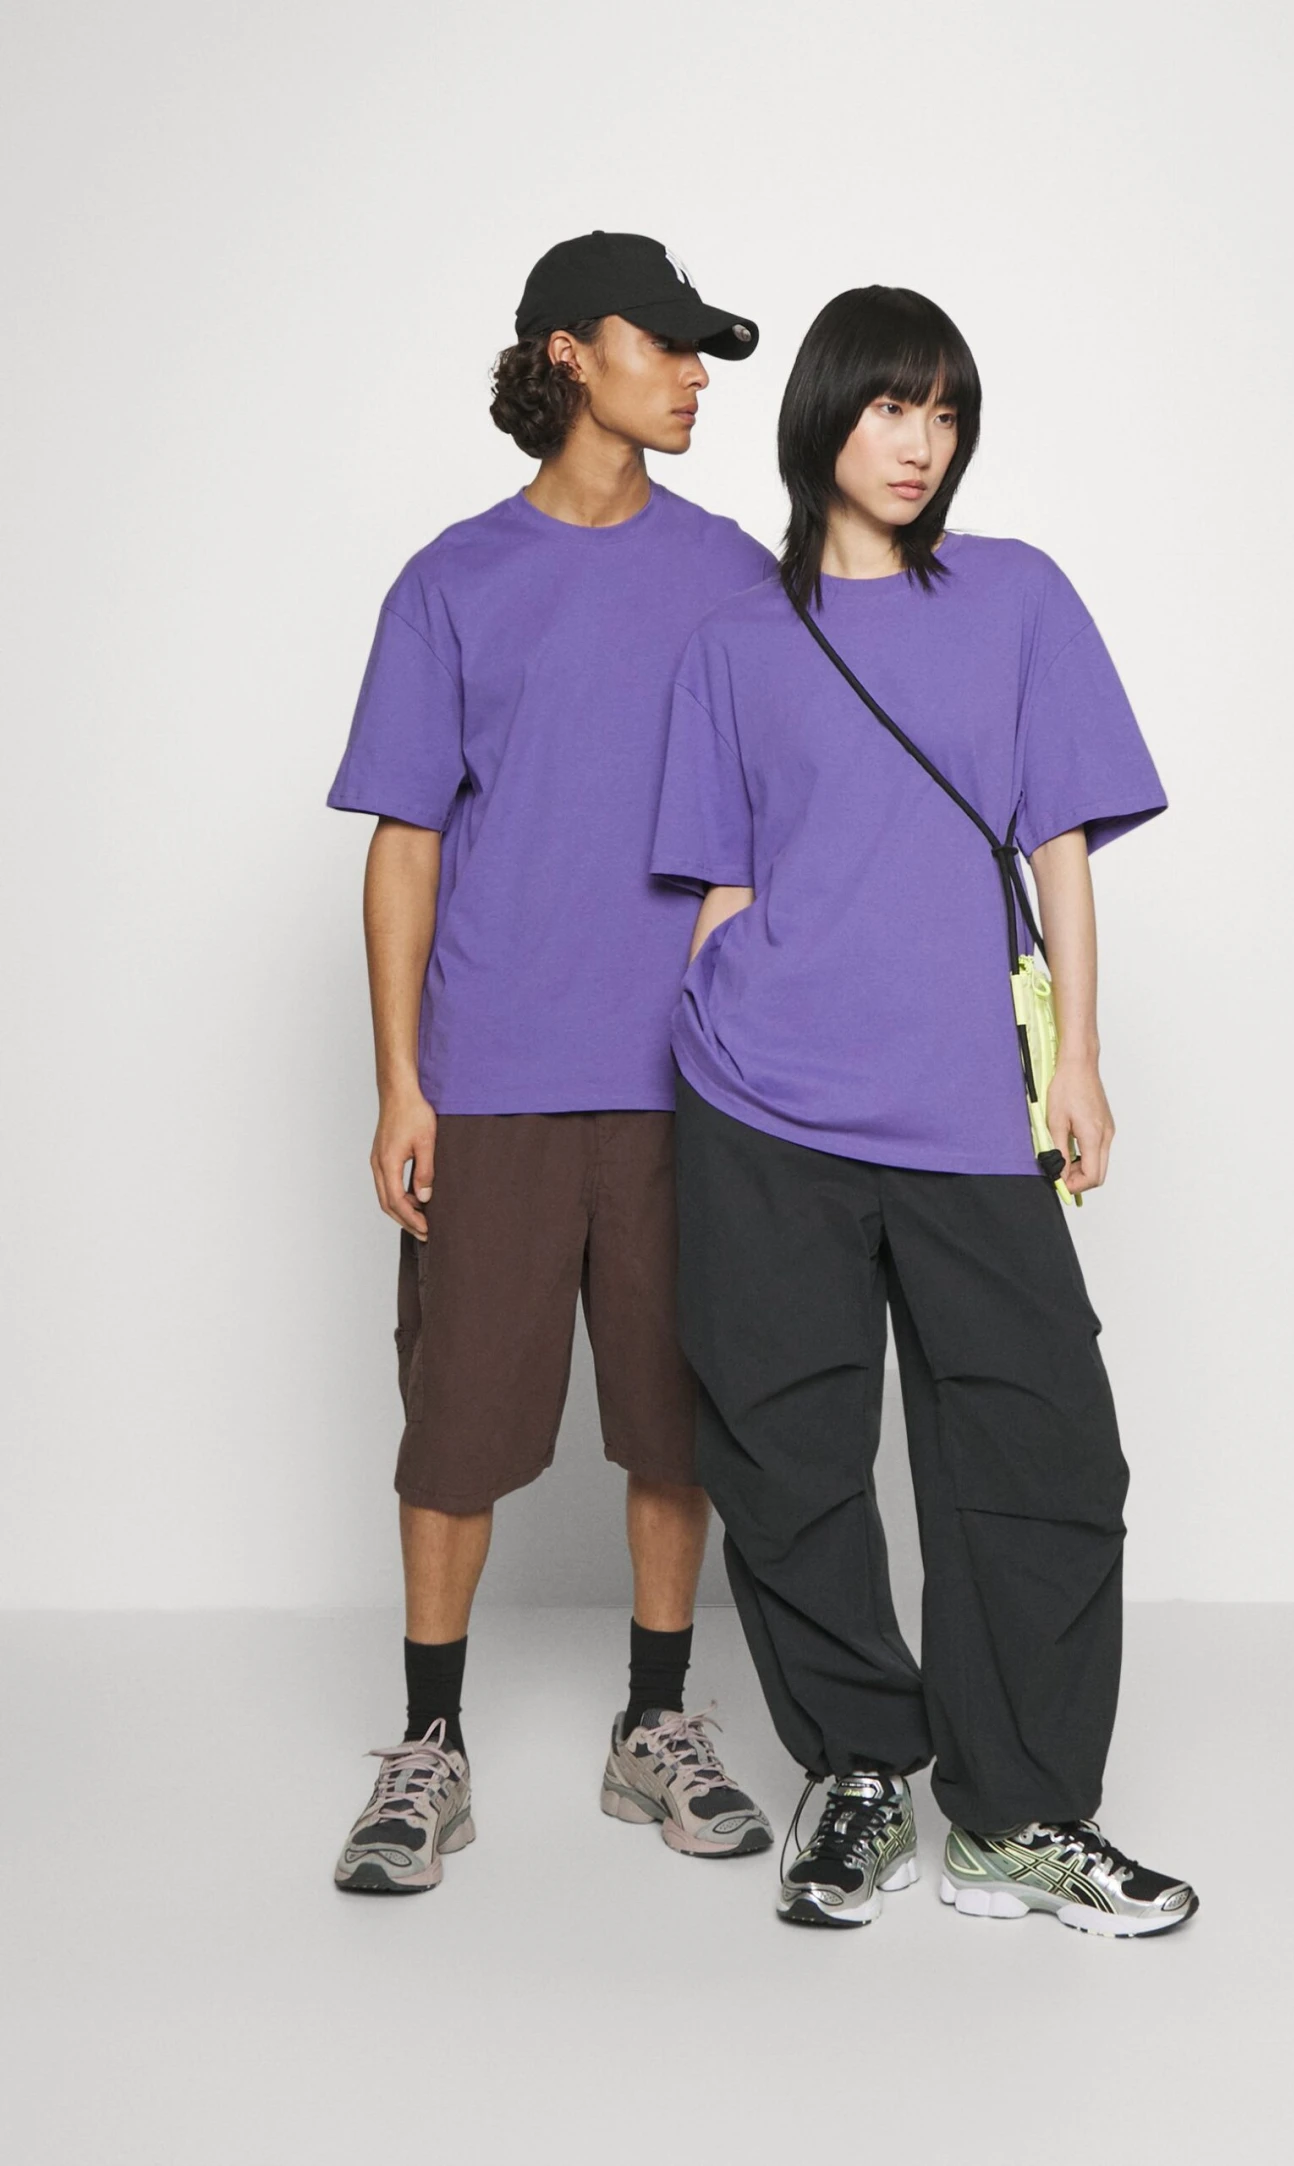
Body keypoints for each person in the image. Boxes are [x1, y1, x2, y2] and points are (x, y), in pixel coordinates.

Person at [650, 286, 1198, 1936]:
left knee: (1046, 1452)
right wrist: (715, 1016)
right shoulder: (735, 639)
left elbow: (1060, 847)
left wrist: (1076, 1060)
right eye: (895, 405)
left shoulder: (1017, 597)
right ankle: (861, 1771)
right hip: (765, 1107)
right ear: (826, 411)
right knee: (789, 1456)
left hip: (966, 1108)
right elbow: (721, 882)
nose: (922, 442)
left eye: (947, 412)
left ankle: (1018, 1814)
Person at [327, 232, 775, 1895]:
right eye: (669, 343)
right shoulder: (453, 582)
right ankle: (427, 1744)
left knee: (675, 1417)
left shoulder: (738, 575)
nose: (697, 373)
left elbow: (786, 813)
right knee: (456, 1420)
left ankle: (657, 1720)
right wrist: (402, 1081)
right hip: (496, 1073)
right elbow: (403, 843)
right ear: (572, 354)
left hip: (690, 1080)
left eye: (704, 350)